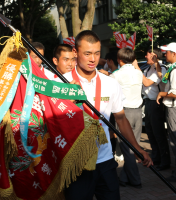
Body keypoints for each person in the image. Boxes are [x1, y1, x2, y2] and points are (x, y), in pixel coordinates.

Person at [56, 30, 152, 199]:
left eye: (97, 53)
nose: (93, 59)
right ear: (75, 53)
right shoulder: (60, 84)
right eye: (87, 54)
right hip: (77, 163)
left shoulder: (110, 83)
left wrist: (137, 148)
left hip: (105, 161)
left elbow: (121, 119)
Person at [109, 47, 143, 189]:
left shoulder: (116, 75)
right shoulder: (139, 73)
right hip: (138, 112)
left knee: (127, 148)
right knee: (134, 144)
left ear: (119, 60)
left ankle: (135, 180)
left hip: (124, 114)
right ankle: (124, 178)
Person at [134, 48, 170, 171]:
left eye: (148, 55)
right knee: (150, 132)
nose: (145, 56)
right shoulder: (149, 68)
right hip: (148, 102)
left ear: (154, 56)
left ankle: (165, 161)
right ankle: (156, 158)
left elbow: (147, 82)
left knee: (158, 133)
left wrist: (137, 68)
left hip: (156, 103)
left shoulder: (161, 68)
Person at [157, 42, 176, 182]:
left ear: (174, 53)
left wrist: (162, 93)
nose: (164, 54)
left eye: (166, 52)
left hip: (175, 108)